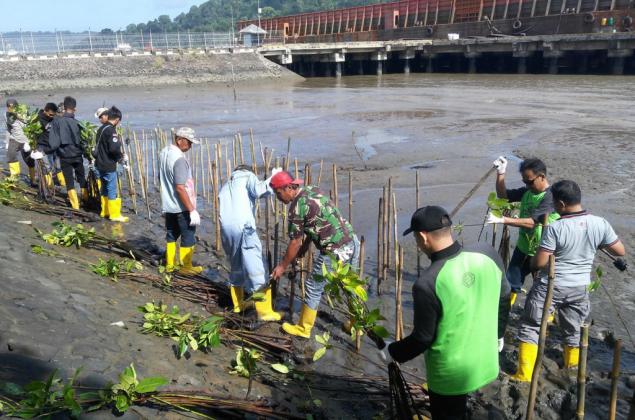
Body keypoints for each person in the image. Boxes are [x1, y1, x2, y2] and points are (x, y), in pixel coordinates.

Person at [385, 206, 510, 419]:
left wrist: (392, 352)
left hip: (450, 377)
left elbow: (422, 339)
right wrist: (499, 335)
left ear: (423, 237)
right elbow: (505, 297)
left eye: (416, 238)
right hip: (486, 363)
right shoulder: (487, 253)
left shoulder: (427, 282)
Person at [512, 180, 625, 382]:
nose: (553, 207)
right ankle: (572, 369)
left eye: (554, 203)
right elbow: (619, 251)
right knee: (573, 329)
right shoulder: (600, 223)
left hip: (551, 286)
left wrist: (533, 262)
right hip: (580, 287)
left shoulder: (556, 227)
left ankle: (523, 375)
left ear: (562, 204)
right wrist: (596, 241)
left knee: (530, 326)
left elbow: (539, 262)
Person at [270, 171, 360, 338]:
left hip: (336, 250)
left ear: (289, 188)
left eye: (278, 193)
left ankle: (303, 329)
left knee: (312, 287)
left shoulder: (296, 208)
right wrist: (304, 249)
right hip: (352, 241)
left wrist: (282, 266)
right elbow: (316, 223)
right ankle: (357, 324)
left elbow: (295, 241)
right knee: (350, 285)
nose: (278, 198)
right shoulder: (312, 190)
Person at [488, 157, 559, 305]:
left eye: (530, 181)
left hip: (542, 250)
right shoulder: (528, 191)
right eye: (524, 182)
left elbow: (533, 222)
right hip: (523, 246)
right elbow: (503, 196)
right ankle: (506, 309)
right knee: (511, 282)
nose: (527, 185)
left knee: (543, 285)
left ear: (542, 176)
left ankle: (547, 314)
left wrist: (503, 220)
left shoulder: (550, 197)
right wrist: (501, 173)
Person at [218, 165, 283, 321]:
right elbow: (259, 190)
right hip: (244, 227)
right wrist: (273, 179)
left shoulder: (226, 186)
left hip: (226, 229)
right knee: (256, 268)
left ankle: (238, 305)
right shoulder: (247, 176)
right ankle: (265, 312)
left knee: (236, 266)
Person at [158, 127, 203, 276]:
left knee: (171, 234)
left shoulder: (164, 152)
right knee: (188, 235)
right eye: (189, 142)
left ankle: (170, 264)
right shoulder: (179, 159)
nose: (190, 146)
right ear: (179, 140)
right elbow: (180, 187)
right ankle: (186, 267)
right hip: (181, 206)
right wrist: (192, 209)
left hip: (168, 204)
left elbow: (161, 178)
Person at [48, 96, 87, 210]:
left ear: (64, 108)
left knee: (69, 181)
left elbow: (54, 143)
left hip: (65, 156)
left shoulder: (57, 122)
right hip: (78, 155)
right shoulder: (78, 123)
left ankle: (75, 206)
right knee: (81, 178)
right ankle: (85, 199)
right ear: (75, 109)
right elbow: (84, 141)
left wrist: (45, 151)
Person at [94, 106, 128, 222]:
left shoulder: (101, 128)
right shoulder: (111, 130)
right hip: (108, 164)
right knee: (112, 189)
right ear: (117, 119)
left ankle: (105, 211)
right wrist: (121, 157)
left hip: (99, 164)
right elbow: (113, 149)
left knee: (104, 188)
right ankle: (114, 214)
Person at [28, 103, 59, 188]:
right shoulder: (37, 119)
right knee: (46, 167)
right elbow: (32, 133)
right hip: (42, 146)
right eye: (50, 114)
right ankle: (48, 187)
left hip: (52, 147)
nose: (52, 116)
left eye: (54, 115)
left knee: (54, 167)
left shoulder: (54, 118)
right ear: (45, 111)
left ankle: (53, 184)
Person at [4, 98, 33, 182]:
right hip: (14, 138)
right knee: (11, 155)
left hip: (25, 139)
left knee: (29, 160)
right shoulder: (6, 115)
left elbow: (30, 126)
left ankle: (33, 179)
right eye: (9, 107)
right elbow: (8, 129)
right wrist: (7, 142)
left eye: (12, 107)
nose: (11, 109)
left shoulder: (24, 112)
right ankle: (15, 177)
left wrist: (27, 142)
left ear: (17, 107)